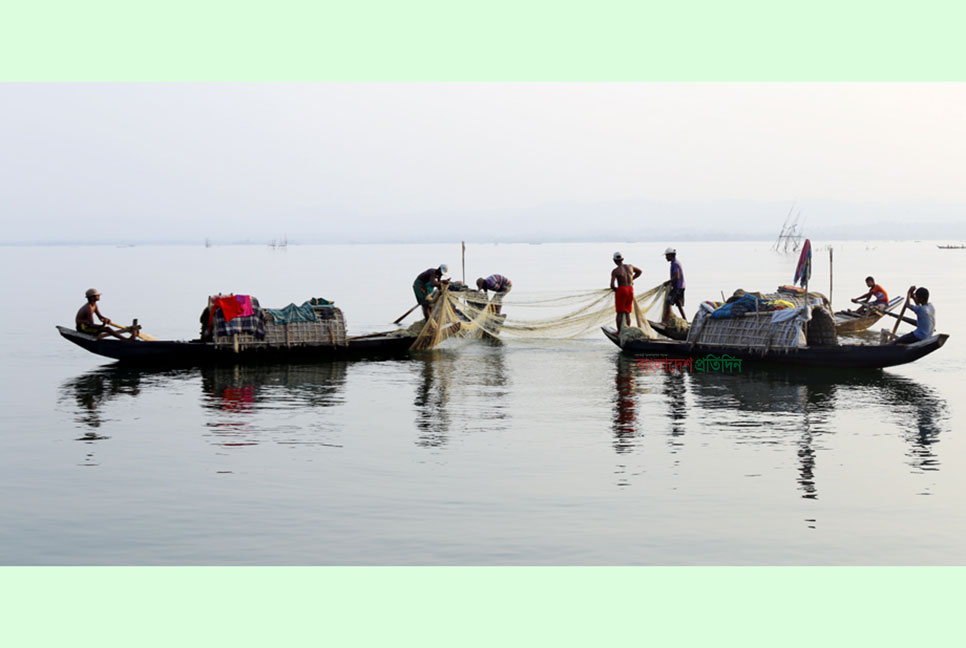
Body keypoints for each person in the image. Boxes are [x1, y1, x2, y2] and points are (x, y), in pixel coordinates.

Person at [610, 252, 642, 332]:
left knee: (620, 313)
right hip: (630, 289)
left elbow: (612, 285)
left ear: (614, 260)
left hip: (622, 290)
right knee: (627, 312)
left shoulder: (615, 271)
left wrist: (616, 289)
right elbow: (640, 271)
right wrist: (632, 279)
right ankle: (627, 330)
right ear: (622, 259)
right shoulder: (630, 267)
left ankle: (619, 332)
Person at [662, 247, 687, 323]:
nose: (666, 257)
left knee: (668, 301)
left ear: (670, 255)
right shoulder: (676, 262)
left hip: (678, 287)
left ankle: (665, 321)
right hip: (681, 286)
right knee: (678, 304)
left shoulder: (675, 264)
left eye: (667, 256)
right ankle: (685, 320)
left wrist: (668, 282)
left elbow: (677, 277)